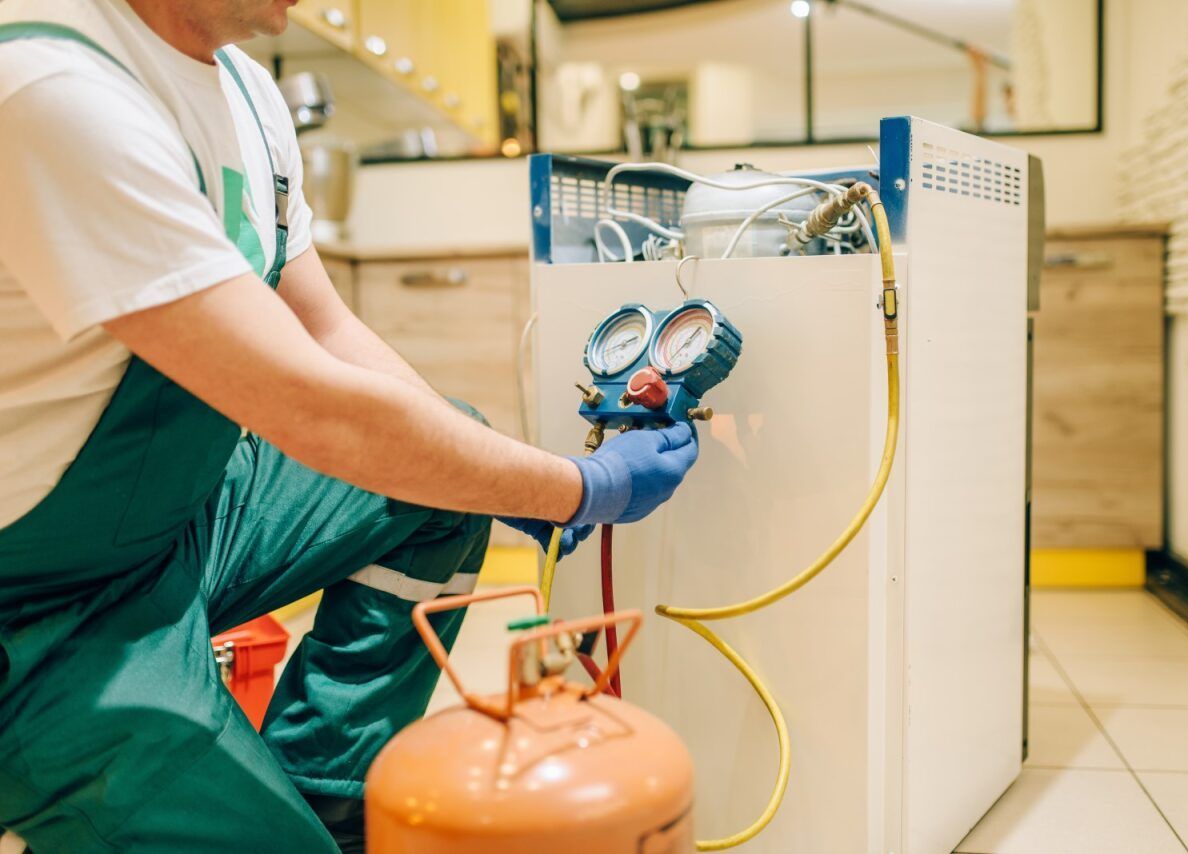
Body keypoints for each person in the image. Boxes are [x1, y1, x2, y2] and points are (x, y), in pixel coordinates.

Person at [0, 0, 699, 851]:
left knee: (441, 476)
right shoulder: (56, 83)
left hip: (178, 523)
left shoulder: (249, 94)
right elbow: (315, 410)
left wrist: (503, 473)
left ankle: (320, 797)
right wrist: (586, 487)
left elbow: (327, 332)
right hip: (37, 619)